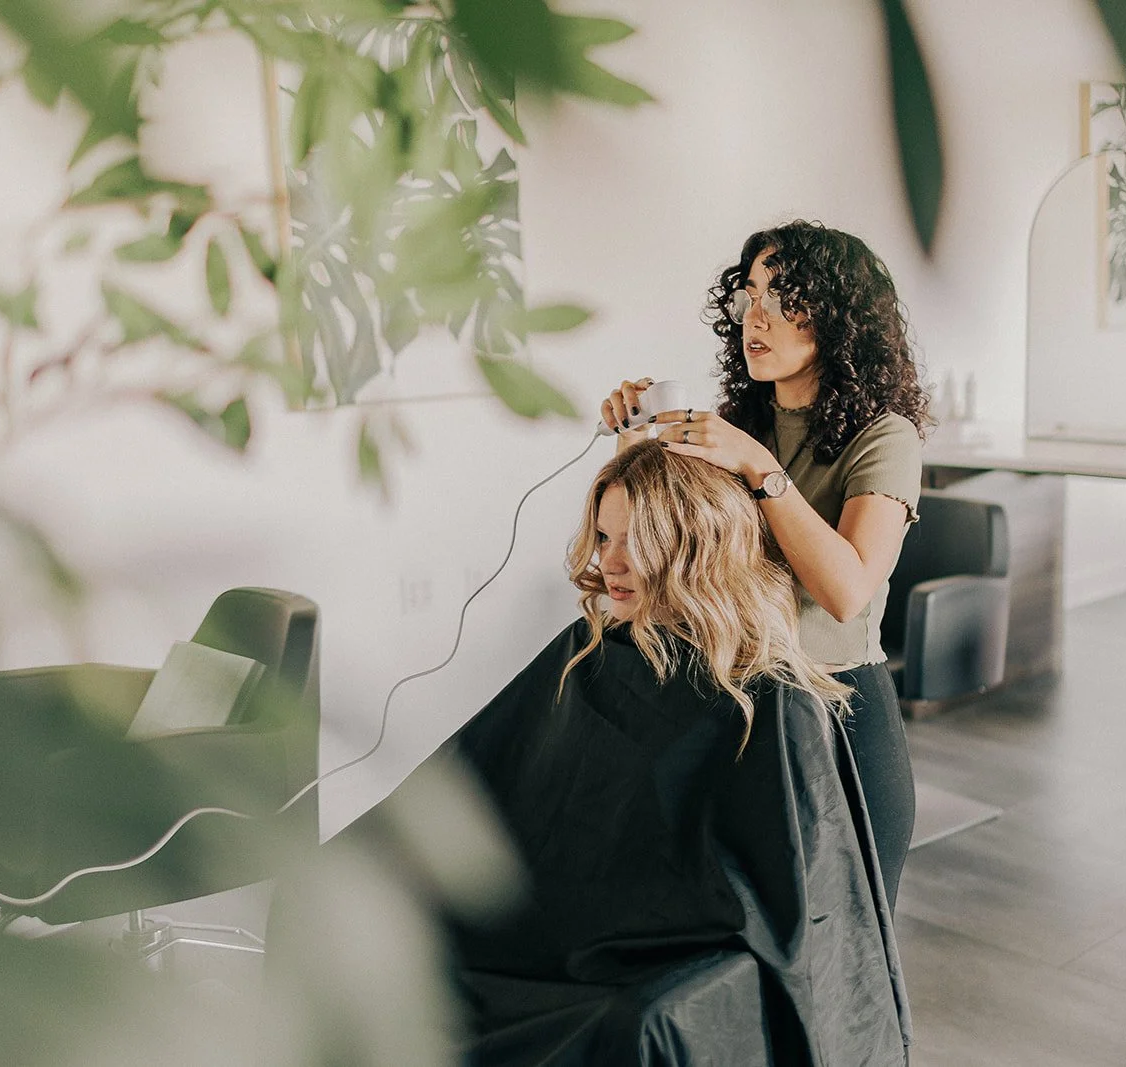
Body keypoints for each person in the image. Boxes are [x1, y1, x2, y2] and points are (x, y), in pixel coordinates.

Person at [292, 442, 911, 1065]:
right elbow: (496, 780)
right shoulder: (592, 652)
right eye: (604, 537)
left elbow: (785, 912)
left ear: (691, 546)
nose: (607, 564)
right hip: (552, 930)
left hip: (658, 958)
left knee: (626, 1023)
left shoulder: (772, 697)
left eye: (632, 541)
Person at [601, 220, 929, 906]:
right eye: (749, 294)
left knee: (850, 947)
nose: (758, 315)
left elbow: (845, 589)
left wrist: (759, 467)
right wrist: (637, 433)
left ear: (840, 320)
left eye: (785, 297)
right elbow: (671, 543)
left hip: (839, 713)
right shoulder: (735, 426)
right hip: (746, 707)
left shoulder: (885, 438)